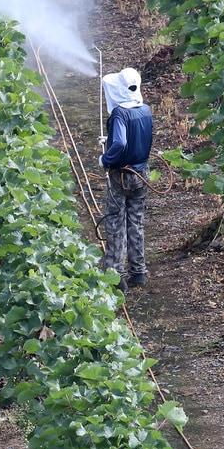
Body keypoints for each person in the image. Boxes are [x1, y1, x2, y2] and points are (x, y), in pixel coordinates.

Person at [98, 66, 152, 290]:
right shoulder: (146, 110)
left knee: (115, 222)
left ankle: (116, 276)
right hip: (141, 174)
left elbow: (120, 143)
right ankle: (138, 272)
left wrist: (106, 157)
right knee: (136, 221)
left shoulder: (120, 113)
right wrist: (109, 139)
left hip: (120, 175)